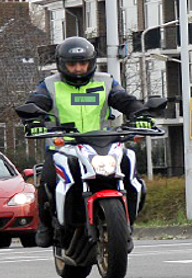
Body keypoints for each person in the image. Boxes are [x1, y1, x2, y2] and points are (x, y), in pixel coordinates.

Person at [19, 37, 155, 248]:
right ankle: (46, 226)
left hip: (103, 144)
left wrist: (140, 114)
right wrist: (34, 121)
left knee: (132, 175)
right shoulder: (50, 85)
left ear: (91, 63)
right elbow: (36, 103)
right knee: (47, 182)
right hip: (63, 147)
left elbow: (124, 100)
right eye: (72, 64)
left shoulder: (106, 82)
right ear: (61, 64)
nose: (78, 69)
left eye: (83, 63)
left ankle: (126, 224)